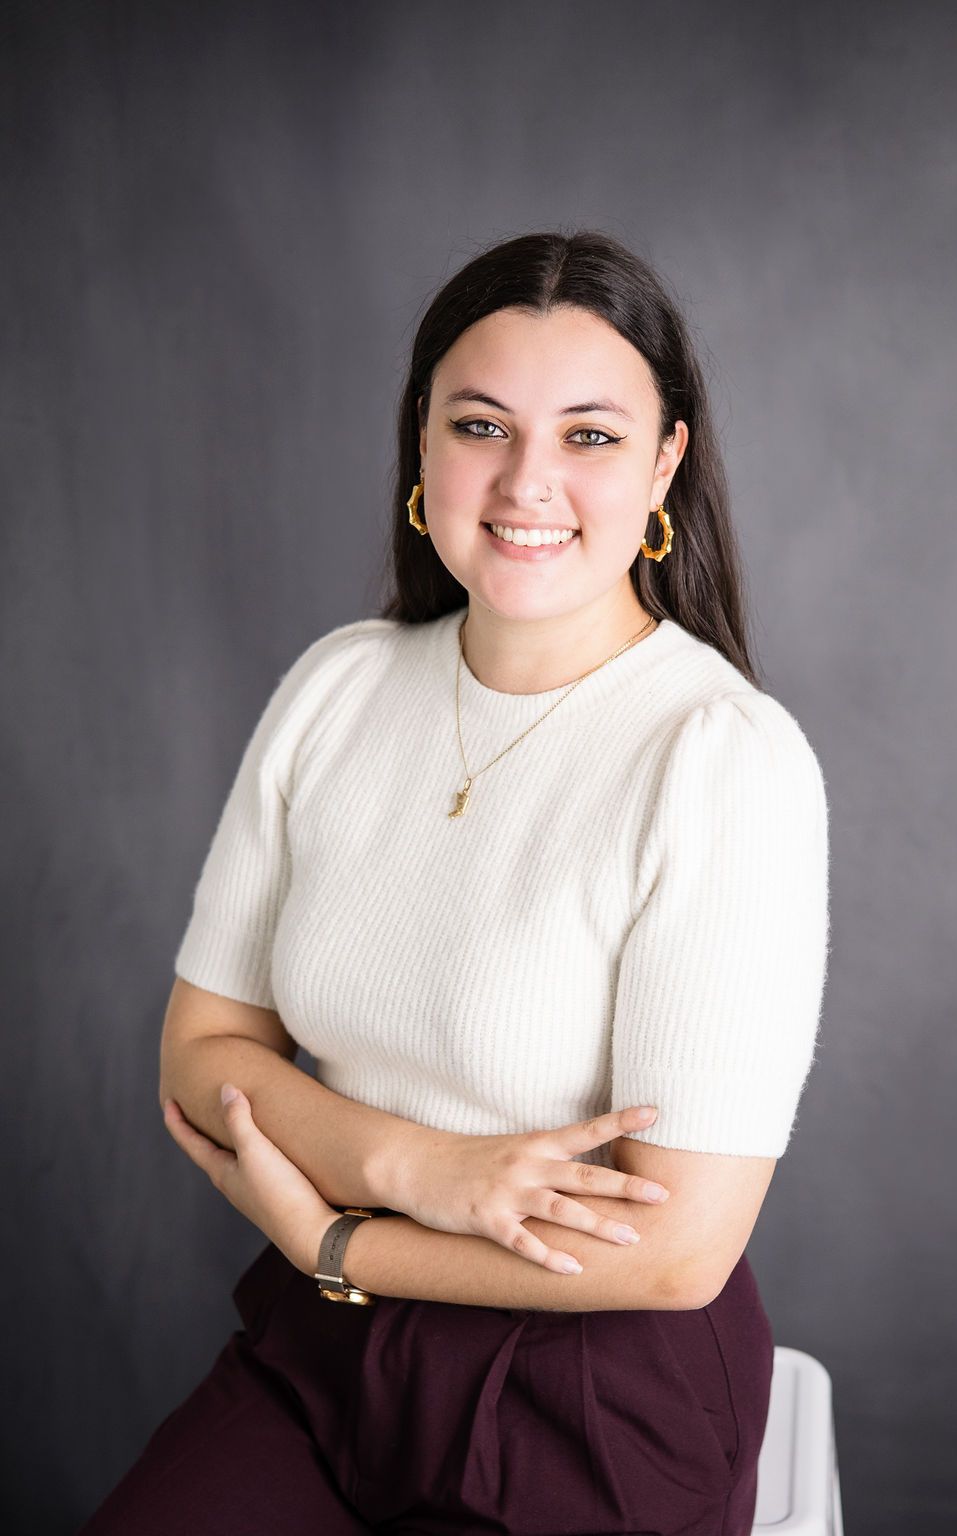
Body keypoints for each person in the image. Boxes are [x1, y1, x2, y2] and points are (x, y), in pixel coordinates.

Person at [79, 228, 830, 1536]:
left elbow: (673, 1253)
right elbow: (200, 1053)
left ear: (666, 463)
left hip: (589, 1396)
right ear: (420, 449)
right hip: (321, 1361)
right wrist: (422, 1167)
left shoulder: (723, 762)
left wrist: (337, 1239)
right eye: (481, 424)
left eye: (590, 436)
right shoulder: (342, 685)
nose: (529, 479)